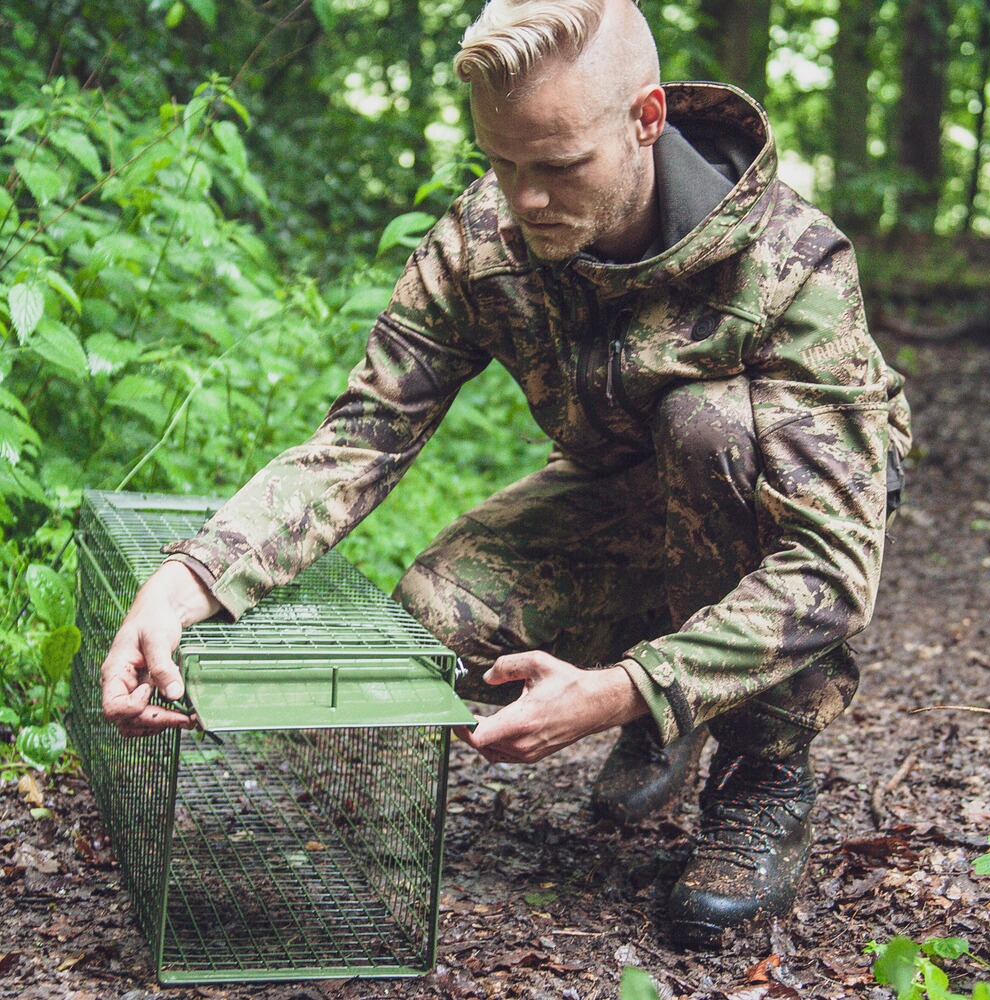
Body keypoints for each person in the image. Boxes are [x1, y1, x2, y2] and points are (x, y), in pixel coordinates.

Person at [100, 0, 911, 949]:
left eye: (560, 166)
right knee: (442, 616)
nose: (526, 201)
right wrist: (187, 580)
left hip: (778, 504)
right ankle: (672, 696)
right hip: (624, 495)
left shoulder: (792, 263)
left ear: (646, 119)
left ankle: (760, 773)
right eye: (503, 163)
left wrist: (619, 690)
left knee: (705, 427)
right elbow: (363, 435)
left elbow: (832, 565)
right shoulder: (487, 241)